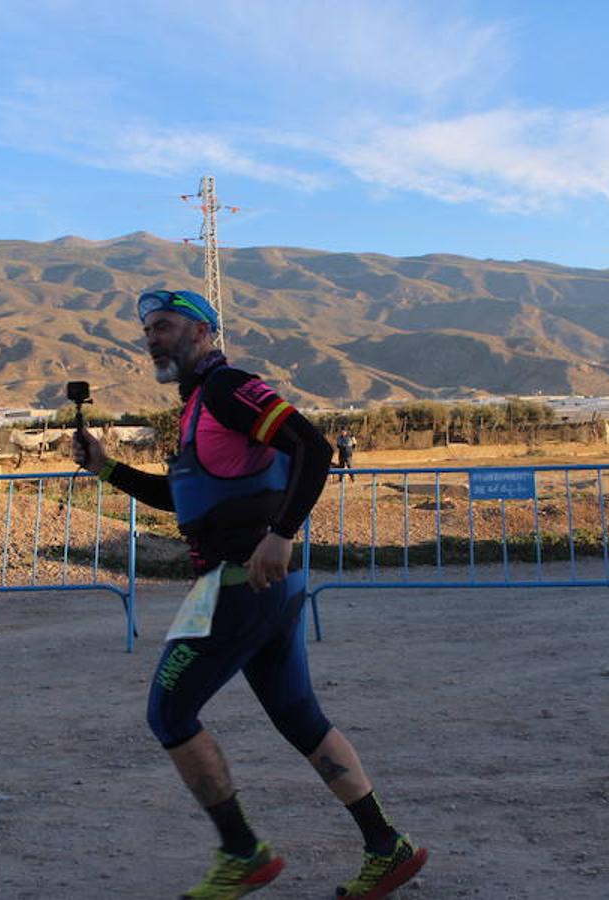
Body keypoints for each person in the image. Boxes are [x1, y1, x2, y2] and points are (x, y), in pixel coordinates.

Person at [71, 288, 427, 900]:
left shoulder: (229, 388)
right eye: (148, 329)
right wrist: (106, 470)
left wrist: (282, 534)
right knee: (299, 717)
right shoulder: (197, 408)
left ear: (205, 333)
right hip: (259, 586)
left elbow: (310, 446)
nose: (153, 336)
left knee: (169, 712)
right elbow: (185, 498)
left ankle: (241, 853)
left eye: (165, 325)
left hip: (241, 582)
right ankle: (385, 846)